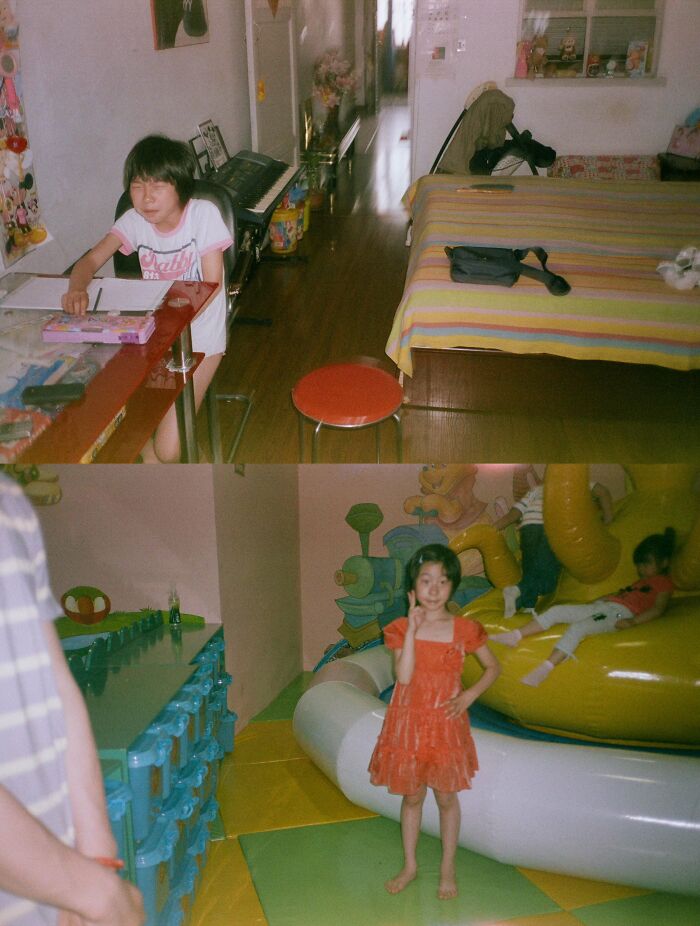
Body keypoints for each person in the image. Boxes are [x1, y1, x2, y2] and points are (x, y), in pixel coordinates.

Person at [0, 473, 145, 926]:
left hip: (56, 882)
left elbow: (56, 682)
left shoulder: (11, 505)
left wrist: (97, 855)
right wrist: (87, 888)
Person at [61, 134, 233, 463]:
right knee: (111, 418)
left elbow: (209, 288)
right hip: (155, 341)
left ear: (179, 184)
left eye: (158, 185)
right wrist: (77, 287)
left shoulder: (203, 215)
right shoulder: (136, 221)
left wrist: (164, 328)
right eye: (138, 185)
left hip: (201, 343)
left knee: (166, 451)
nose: (146, 197)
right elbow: (90, 261)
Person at [368, 544, 500, 900]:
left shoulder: (465, 629)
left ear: (452, 586)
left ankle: (447, 867)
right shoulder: (399, 628)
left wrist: (470, 695)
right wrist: (412, 630)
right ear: (413, 588)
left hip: (445, 724)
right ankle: (410, 865)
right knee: (412, 798)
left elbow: (493, 667)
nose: (434, 588)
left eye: (442, 581)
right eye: (426, 580)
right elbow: (405, 677)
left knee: (445, 798)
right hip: (409, 724)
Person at [490, 528, 676, 687]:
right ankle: (515, 636)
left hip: (618, 614)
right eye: (640, 564)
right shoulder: (640, 582)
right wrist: (594, 602)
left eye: (647, 564)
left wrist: (633, 621)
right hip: (603, 606)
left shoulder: (663, 583)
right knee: (557, 610)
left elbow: (658, 609)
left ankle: (545, 668)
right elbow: (618, 595)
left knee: (579, 628)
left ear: (665, 563)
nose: (642, 569)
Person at [494, 478, 613, 618]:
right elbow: (603, 492)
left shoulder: (537, 490)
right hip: (551, 527)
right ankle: (516, 591)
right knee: (549, 581)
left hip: (528, 529)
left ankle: (527, 607)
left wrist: (492, 528)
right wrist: (609, 519)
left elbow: (514, 513)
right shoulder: (575, 480)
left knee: (531, 571)